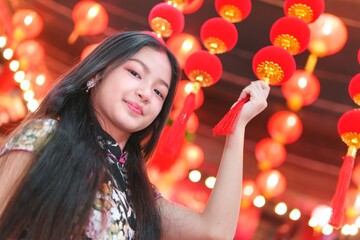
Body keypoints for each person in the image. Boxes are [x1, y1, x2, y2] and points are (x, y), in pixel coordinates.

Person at [0, 31, 270, 239]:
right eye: (135, 73)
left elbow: (215, 232)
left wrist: (237, 128)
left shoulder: (138, 194)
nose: (145, 93)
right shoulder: (46, 135)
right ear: (97, 73)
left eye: (158, 92)